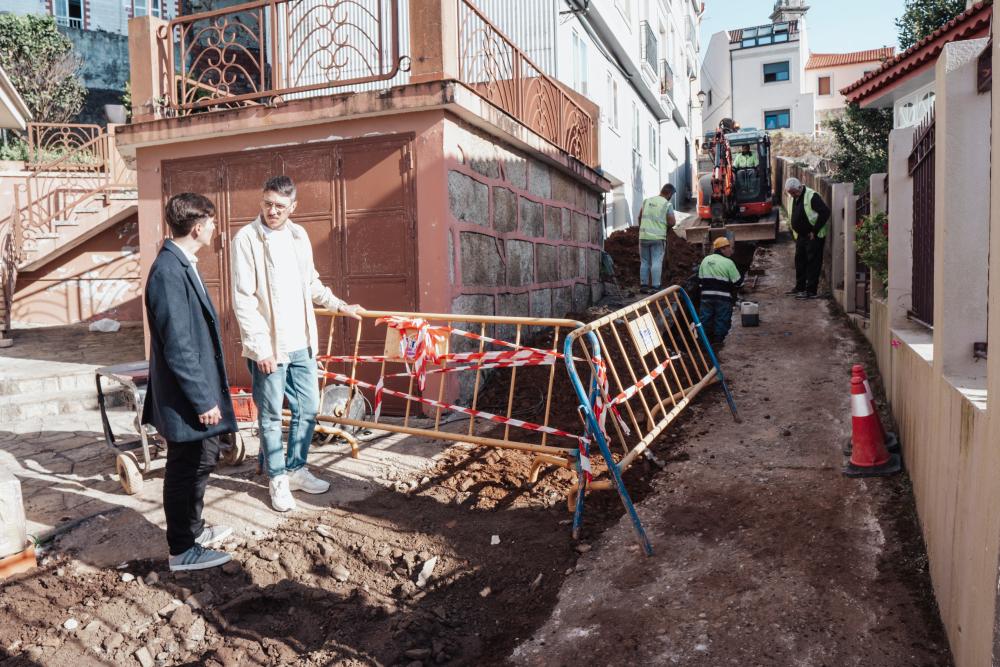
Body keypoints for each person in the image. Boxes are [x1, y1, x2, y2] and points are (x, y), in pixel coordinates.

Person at [231, 176, 363, 513]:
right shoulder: (246, 239)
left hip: (302, 343)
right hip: (270, 348)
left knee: (309, 408)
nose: (272, 211)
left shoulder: (298, 236)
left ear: (293, 207)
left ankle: (296, 468)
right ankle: (277, 479)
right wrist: (260, 348)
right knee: (272, 415)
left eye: (279, 205)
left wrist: (340, 305)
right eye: (267, 203)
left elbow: (312, 283)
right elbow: (243, 300)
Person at [142, 193, 237, 572]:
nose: (215, 229)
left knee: (204, 457)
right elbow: (179, 347)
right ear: (198, 227)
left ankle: (193, 530)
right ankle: (182, 549)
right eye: (212, 223)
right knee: (186, 465)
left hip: (193, 391)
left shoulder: (181, 263)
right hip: (185, 396)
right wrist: (202, 400)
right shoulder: (167, 272)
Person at [784, 177, 831, 299]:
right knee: (800, 261)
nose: (792, 195)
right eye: (790, 193)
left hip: (813, 236)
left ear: (799, 187)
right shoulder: (795, 197)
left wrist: (814, 231)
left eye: (794, 192)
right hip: (801, 236)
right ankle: (800, 287)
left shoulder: (811, 196)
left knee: (813, 263)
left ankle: (811, 291)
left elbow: (825, 212)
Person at [698, 236, 744, 349]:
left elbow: (699, 282)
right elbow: (738, 282)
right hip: (723, 298)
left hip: (706, 297)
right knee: (722, 319)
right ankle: (718, 342)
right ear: (722, 249)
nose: (731, 250)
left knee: (705, 318)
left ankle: (703, 342)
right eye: (728, 248)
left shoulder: (705, 260)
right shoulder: (728, 263)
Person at [637, 183, 677, 294]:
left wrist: (642, 229)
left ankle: (643, 285)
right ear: (669, 193)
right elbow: (672, 222)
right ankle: (655, 286)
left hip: (643, 237)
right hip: (658, 238)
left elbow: (639, 217)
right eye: (671, 195)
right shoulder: (667, 204)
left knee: (644, 261)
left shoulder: (647, 201)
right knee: (656, 261)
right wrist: (665, 228)